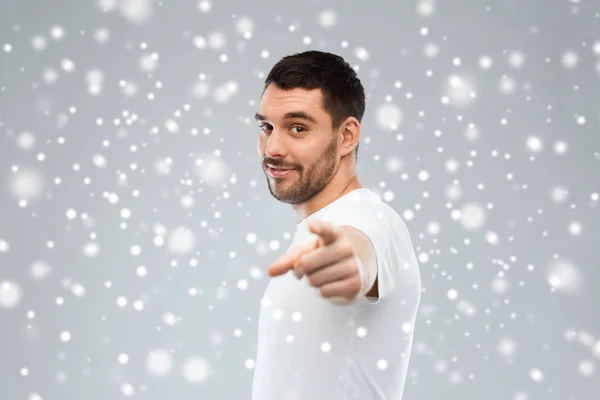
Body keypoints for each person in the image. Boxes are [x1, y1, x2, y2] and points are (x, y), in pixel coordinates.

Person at [251, 50, 422, 400]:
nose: (273, 147)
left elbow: (359, 249)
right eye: (267, 127)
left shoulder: (372, 219)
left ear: (346, 136)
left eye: (297, 128)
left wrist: (351, 261)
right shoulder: (318, 228)